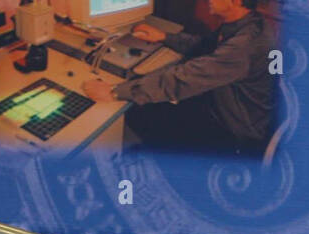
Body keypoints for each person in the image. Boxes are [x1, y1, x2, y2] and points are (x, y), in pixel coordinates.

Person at [83, 0, 279, 154]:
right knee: (151, 102)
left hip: (233, 131)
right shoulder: (246, 24)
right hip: (226, 109)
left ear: (236, 1)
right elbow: (205, 46)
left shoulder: (246, 44)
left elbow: (185, 78)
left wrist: (115, 91)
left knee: (138, 112)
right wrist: (165, 38)